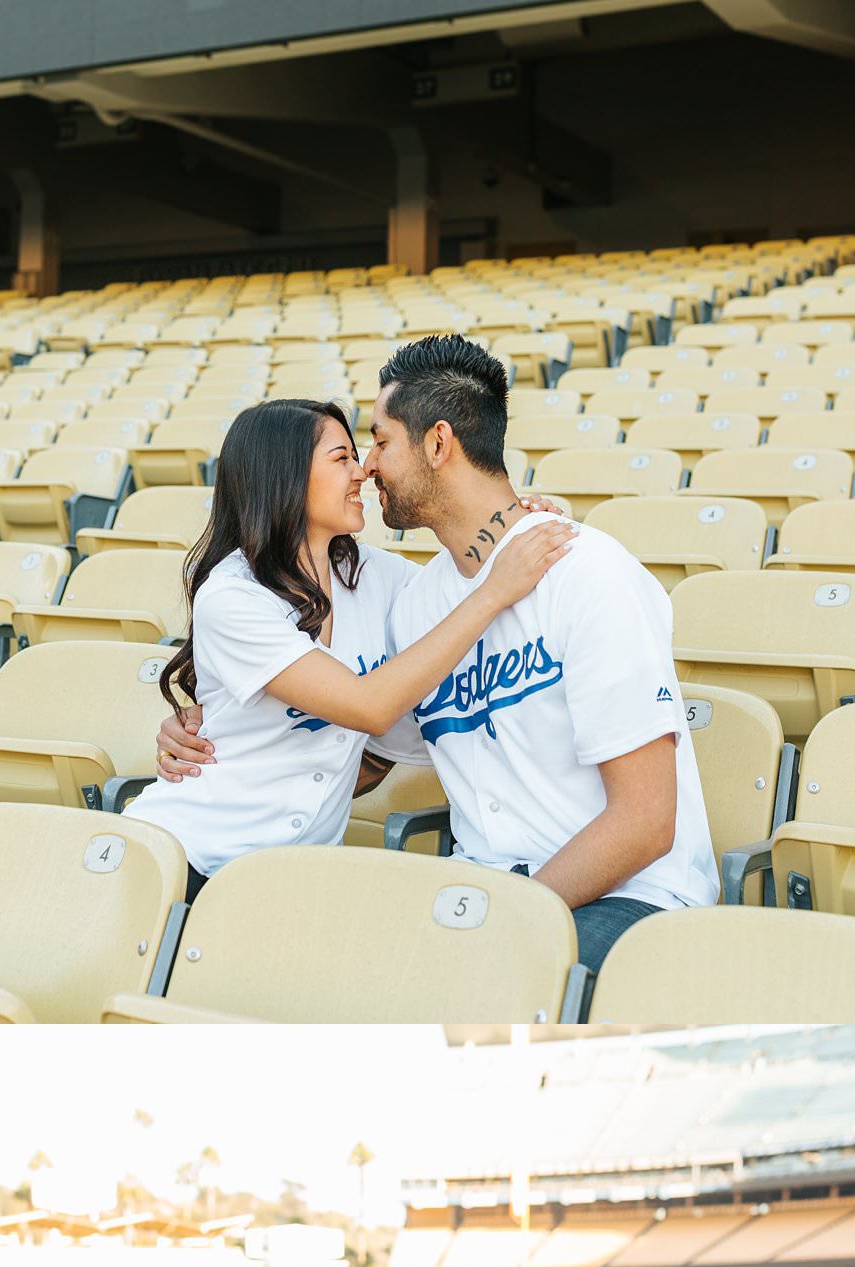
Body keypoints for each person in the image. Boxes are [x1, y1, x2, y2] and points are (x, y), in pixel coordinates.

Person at [158, 335, 719, 975]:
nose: (367, 467)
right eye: (351, 452)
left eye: (378, 442)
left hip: (621, 895)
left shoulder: (584, 572)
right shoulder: (417, 603)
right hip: (471, 889)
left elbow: (646, 822)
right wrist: (212, 738)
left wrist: (514, 914)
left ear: (437, 444)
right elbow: (364, 728)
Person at [125, 396, 575, 897]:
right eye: (341, 459)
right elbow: (370, 706)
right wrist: (495, 591)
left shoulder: (375, 574)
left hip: (288, 879)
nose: (363, 471)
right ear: (283, 477)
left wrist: (519, 520)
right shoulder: (231, 596)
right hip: (186, 856)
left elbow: (464, 588)